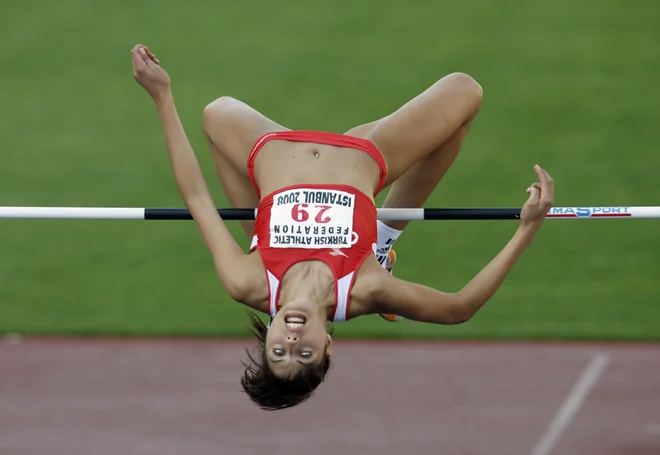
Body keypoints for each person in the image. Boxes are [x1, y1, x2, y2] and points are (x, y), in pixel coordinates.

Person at [130, 44, 555, 411]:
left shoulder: (247, 281)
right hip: (363, 156)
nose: (292, 338)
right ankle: (384, 237)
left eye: (279, 350)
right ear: (327, 346)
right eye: (305, 351)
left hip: (274, 151)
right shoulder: (365, 290)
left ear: (269, 336)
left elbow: (198, 198)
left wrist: (162, 98)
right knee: (466, 91)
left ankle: (280, 227)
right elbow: (459, 308)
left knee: (216, 112)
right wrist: (526, 231)